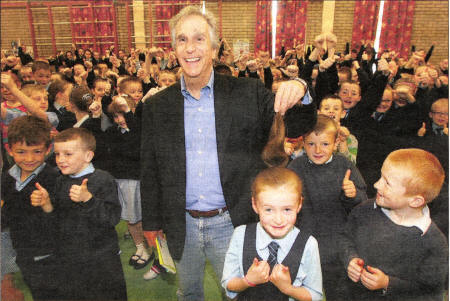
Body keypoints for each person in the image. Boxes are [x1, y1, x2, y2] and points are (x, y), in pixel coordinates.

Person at [140, 6, 316, 301]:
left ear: (213, 46)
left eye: (199, 39)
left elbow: (298, 123)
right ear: (173, 49)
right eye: (182, 40)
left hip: (233, 222)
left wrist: (300, 88)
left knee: (237, 294)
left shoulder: (248, 92)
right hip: (181, 223)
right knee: (189, 292)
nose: (190, 48)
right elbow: (150, 167)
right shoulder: (158, 106)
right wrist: (152, 222)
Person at [341, 148, 448, 301]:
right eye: (381, 177)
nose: (377, 184)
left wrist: (388, 284)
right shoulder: (365, 210)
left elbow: (430, 292)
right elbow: (345, 238)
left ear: (415, 200)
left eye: (387, 183)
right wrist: (350, 259)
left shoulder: (434, 242)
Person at [38, 128, 127, 300]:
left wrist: (88, 200)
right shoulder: (60, 181)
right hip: (70, 259)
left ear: (88, 156)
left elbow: (112, 218)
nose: (60, 160)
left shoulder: (103, 179)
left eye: (68, 154)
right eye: (57, 154)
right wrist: (47, 205)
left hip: (101, 260)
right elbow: (57, 222)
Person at [288, 115, 367, 301]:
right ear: (303, 143)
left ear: (335, 142)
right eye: (311, 144)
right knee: (301, 293)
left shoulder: (345, 166)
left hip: (337, 244)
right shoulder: (295, 167)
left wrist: (352, 194)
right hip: (303, 243)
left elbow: (362, 205)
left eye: (324, 144)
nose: (317, 150)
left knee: (339, 293)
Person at [221, 167, 323, 301]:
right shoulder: (241, 234)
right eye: (269, 210)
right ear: (255, 205)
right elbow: (228, 283)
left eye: (287, 209)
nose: (278, 220)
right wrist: (248, 281)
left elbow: (315, 295)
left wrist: (288, 289)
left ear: (299, 205)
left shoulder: (308, 244)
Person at [1, 116, 59, 300]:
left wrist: (48, 205)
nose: (29, 158)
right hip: (24, 254)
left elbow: (63, 220)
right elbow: (7, 218)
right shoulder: (6, 180)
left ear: (48, 149)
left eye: (36, 151)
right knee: (37, 292)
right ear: (9, 150)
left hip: (52, 255)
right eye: (21, 151)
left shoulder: (54, 178)